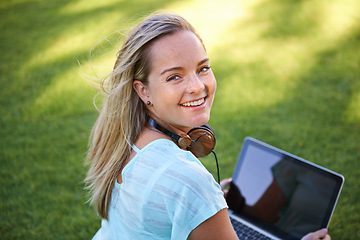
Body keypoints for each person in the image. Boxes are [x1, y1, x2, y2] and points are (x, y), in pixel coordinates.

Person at [85, 13, 331, 240]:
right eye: (174, 76)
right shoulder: (191, 183)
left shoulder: (126, 138)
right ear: (143, 90)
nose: (197, 86)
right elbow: (184, 186)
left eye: (202, 68)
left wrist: (205, 209)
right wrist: (202, 200)